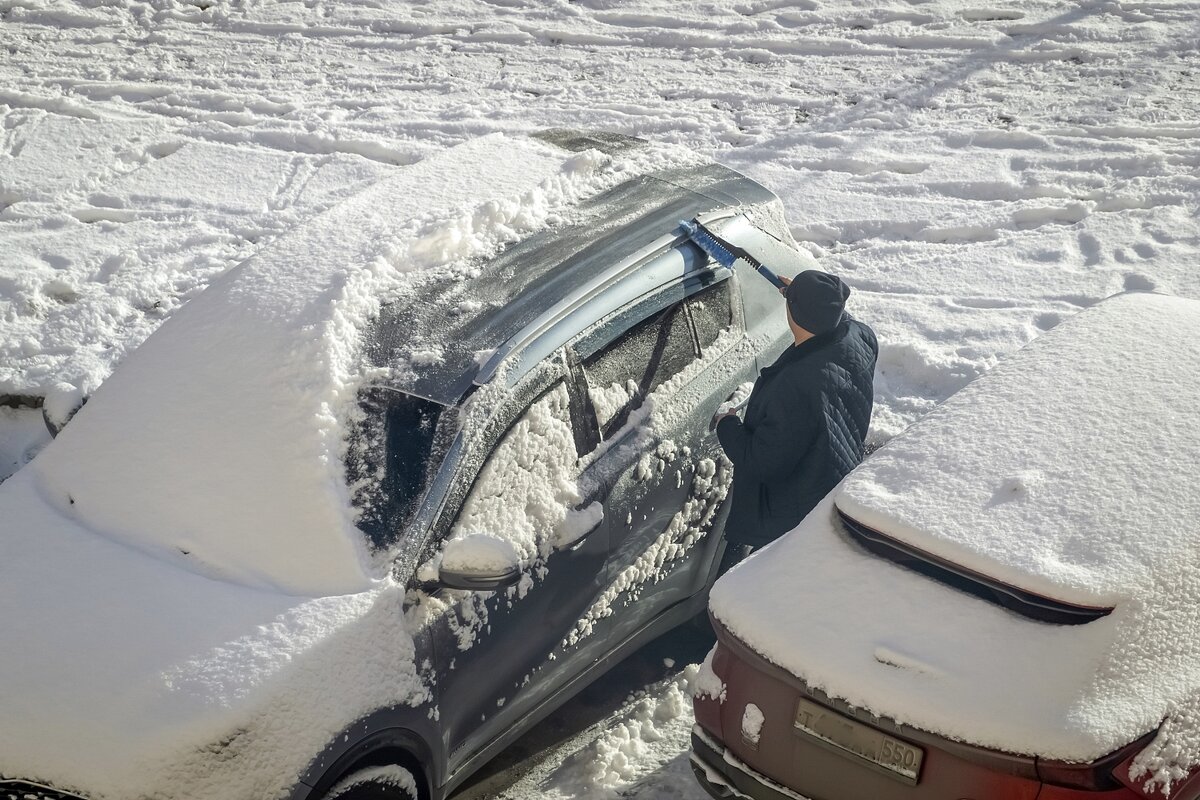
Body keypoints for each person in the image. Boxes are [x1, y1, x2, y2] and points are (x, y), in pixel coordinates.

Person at [713, 269, 877, 571]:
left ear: (795, 315)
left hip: (794, 507)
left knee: (768, 574)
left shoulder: (796, 387)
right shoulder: (860, 336)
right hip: (834, 467)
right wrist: (801, 293)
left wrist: (726, 424)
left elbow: (761, 460)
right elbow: (836, 313)